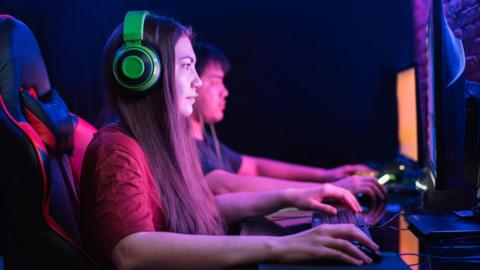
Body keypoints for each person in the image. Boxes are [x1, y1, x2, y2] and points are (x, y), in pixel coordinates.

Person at [80, 11, 379, 270]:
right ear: (142, 72)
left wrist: (291, 197)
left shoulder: (156, 148)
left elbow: (204, 207)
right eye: (186, 66)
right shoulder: (117, 149)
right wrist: (284, 247)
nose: (196, 80)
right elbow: (131, 252)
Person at [192, 43, 387, 201]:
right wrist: (328, 189)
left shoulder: (206, 140)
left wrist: (327, 175)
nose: (224, 92)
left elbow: (253, 167)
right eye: (215, 81)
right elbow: (226, 185)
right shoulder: (185, 145)